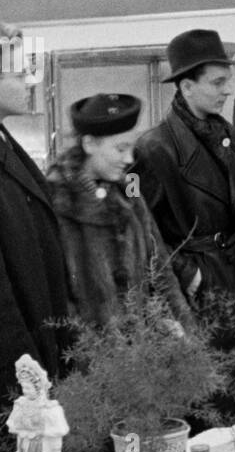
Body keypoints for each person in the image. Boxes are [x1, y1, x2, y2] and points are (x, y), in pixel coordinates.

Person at [133, 30, 235, 415]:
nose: (228, 90)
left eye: (227, 80)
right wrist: (188, 276)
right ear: (186, 86)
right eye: (217, 82)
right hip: (203, 291)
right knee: (217, 401)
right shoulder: (155, 148)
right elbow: (142, 236)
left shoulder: (224, 134)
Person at [46, 93, 191, 329]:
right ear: (89, 143)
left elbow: (159, 265)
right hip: (87, 354)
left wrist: (178, 326)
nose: (129, 158)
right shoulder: (55, 198)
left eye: (132, 148)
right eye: (121, 149)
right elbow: (52, 293)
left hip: (139, 355)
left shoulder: (129, 189)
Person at [0, 23, 69, 452]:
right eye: (17, 71)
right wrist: (26, 377)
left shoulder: (9, 143)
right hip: (13, 372)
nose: (30, 81)